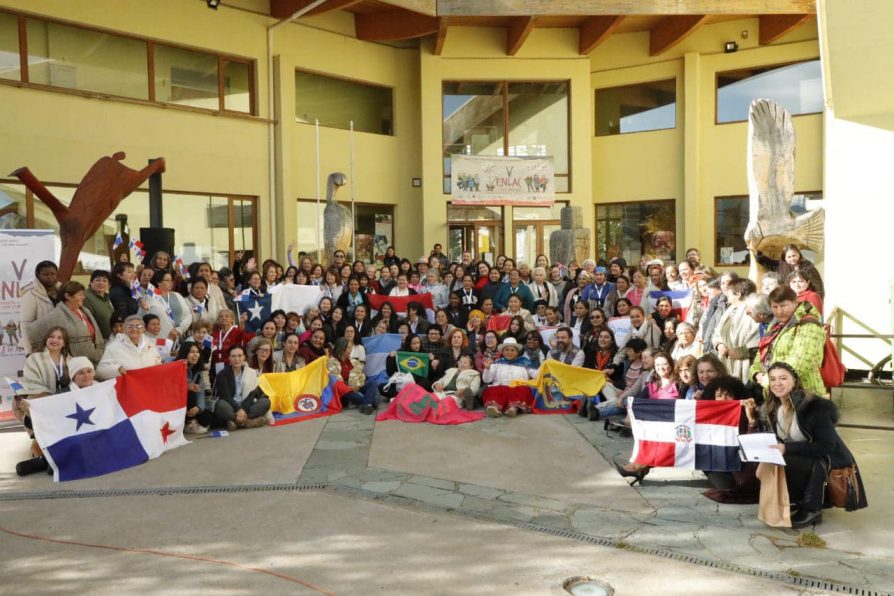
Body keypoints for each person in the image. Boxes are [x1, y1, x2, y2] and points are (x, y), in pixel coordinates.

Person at [750, 362, 866, 528]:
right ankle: (794, 499)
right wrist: (752, 419)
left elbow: (826, 447)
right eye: (773, 379)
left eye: (783, 378)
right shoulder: (772, 407)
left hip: (826, 460)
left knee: (785, 458)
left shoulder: (814, 406)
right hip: (803, 457)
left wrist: (787, 449)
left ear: (795, 381)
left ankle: (812, 509)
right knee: (772, 458)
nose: (777, 383)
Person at [750, 287, 825, 396]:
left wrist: (770, 379)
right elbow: (762, 352)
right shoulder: (775, 324)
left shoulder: (808, 324)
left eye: (784, 306)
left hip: (803, 394)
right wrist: (756, 373)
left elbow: (802, 359)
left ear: (795, 302)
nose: (779, 311)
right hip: (775, 393)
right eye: (775, 307)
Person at [31, 281, 104, 364]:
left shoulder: (85, 311)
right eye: (80, 295)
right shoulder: (57, 314)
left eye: (83, 294)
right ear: (67, 296)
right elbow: (34, 330)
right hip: (71, 364)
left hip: (94, 359)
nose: (83, 297)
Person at [713, 277, 760, 383]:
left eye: (729, 293)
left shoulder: (753, 311)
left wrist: (739, 352)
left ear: (738, 294)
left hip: (744, 364)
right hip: (726, 362)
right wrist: (719, 345)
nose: (726, 295)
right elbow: (717, 332)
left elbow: (758, 339)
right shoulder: (729, 311)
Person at [212, 345, 270, 430]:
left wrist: (243, 410)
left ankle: (235, 422)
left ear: (244, 357)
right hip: (230, 406)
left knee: (266, 402)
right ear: (229, 358)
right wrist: (238, 409)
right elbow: (225, 397)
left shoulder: (250, 373)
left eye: (239, 356)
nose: (236, 359)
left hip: (246, 406)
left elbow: (251, 395)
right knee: (220, 404)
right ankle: (248, 422)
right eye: (233, 356)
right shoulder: (222, 374)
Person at [481, 337, 538, 418]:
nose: (509, 352)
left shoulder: (525, 362)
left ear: (517, 352)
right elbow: (487, 380)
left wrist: (545, 369)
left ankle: (513, 408)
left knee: (524, 390)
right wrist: (487, 368)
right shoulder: (497, 363)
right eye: (506, 350)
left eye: (512, 350)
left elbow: (536, 375)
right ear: (503, 352)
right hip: (500, 388)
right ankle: (494, 407)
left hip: (517, 389)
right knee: (491, 390)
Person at [96, 315, 162, 379]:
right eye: (130, 326)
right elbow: (100, 371)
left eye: (138, 326)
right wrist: (117, 370)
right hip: (129, 388)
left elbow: (158, 363)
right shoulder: (113, 347)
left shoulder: (150, 344)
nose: (134, 329)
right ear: (124, 329)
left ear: (144, 329)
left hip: (148, 385)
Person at [19, 261, 61, 353]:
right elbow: (25, 324)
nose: (50, 277)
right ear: (38, 275)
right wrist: (28, 351)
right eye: (45, 274)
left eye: (52, 274)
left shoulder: (63, 290)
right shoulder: (31, 294)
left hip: (61, 342)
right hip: (40, 346)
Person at [327, 337, 377, 414]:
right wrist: (350, 388)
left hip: (356, 387)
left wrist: (357, 386)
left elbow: (361, 377)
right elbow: (337, 381)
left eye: (351, 348)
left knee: (372, 382)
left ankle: (367, 404)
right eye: (349, 348)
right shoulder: (332, 362)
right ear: (342, 348)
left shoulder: (354, 361)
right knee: (343, 388)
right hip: (344, 391)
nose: (351, 350)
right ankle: (369, 403)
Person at [177, 342, 210, 435]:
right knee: (191, 390)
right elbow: (169, 389)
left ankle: (191, 419)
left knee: (208, 417)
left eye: (197, 352)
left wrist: (199, 407)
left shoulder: (197, 369)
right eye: (192, 352)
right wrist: (186, 387)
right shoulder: (176, 366)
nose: (195, 355)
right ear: (185, 353)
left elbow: (201, 391)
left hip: (190, 406)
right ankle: (189, 423)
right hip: (177, 403)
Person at [83, 270, 114, 340]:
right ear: (91, 282)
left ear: (109, 285)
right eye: (97, 280)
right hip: (98, 340)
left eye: (105, 281)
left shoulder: (106, 297)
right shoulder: (86, 297)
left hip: (110, 339)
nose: (101, 283)